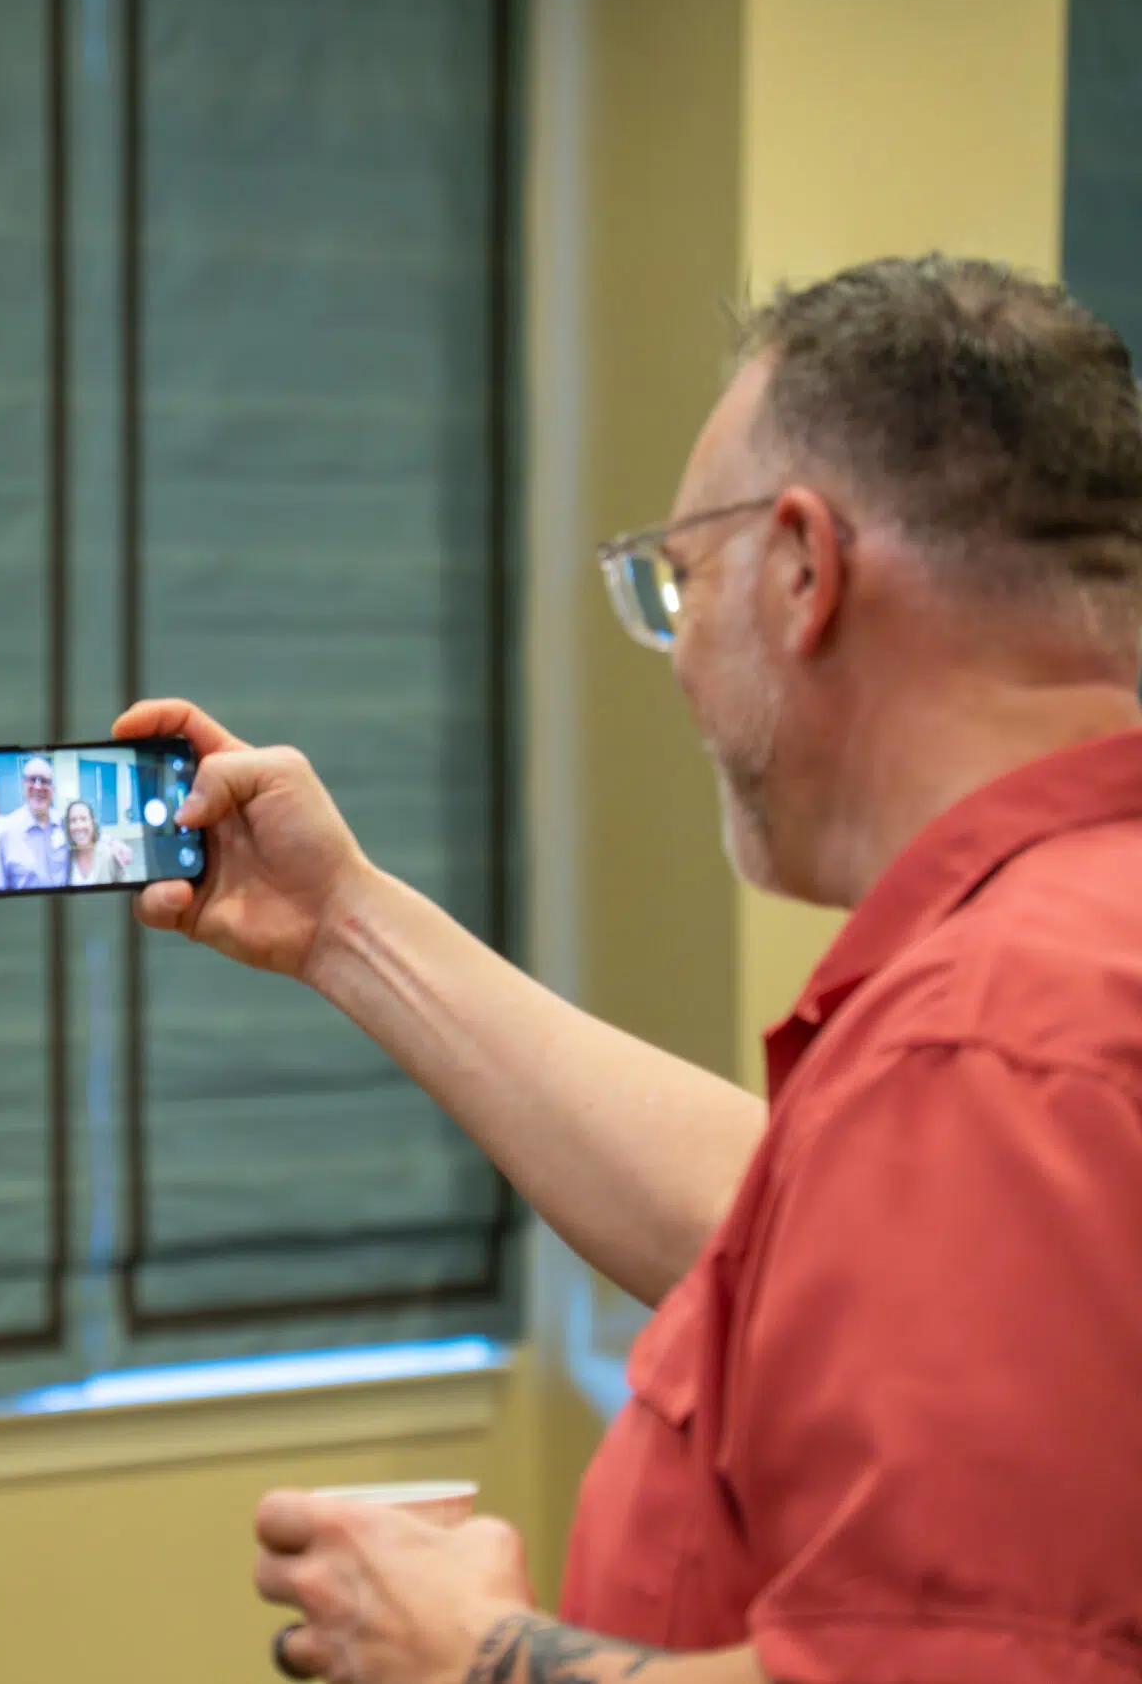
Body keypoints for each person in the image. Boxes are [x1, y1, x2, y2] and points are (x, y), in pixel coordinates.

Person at [125, 257, 1142, 1683]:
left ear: (803, 569)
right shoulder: (1077, 960)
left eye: (679, 579)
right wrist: (342, 919)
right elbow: (774, 1224)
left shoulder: (986, 1045)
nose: (672, 656)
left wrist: (469, 1651)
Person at [0, 754, 67, 890]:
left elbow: (92, 839)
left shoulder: (65, 823)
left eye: (45, 781)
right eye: (32, 779)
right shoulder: (3, 830)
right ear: (23, 786)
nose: (38, 787)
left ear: (53, 789)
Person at [62, 798, 136, 887]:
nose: (79, 826)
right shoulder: (66, 859)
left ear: (93, 823)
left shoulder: (110, 855)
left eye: (83, 819)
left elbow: (128, 892)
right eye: (73, 820)